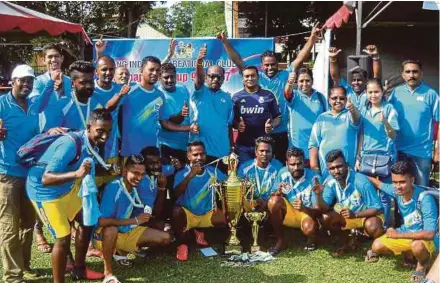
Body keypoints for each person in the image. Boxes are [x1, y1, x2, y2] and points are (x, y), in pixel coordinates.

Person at [26, 109, 112, 282]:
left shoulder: (91, 142)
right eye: (100, 131)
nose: (104, 137)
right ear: (88, 127)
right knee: (62, 238)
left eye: (108, 132)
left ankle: (79, 269)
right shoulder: (70, 144)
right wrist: (77, 175)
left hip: (67, 188)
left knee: (87, 220)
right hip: (45, 193)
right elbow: (46, 178)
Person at [217, 26, 320, 162]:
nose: (270, 67)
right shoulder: (255, 77)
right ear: (261, 65)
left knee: (280, 169)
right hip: (259, 136)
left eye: (273, 64)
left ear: (278, 64)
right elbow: (238, 61)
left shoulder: (285, 75)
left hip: (281, 133)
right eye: (266, 65)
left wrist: (312, 38)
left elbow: (300, 59)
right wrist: (225, 42)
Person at [0, 64, 56, 282]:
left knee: (27, 223)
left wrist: (52, 79)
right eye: (22, 80)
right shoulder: (2, 104)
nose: (26, 84)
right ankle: (12, 275)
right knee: (9, 225)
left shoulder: (33, 104)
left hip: (30, 173)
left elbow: (47, 94)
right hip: (7, 174)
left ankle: (24, 267)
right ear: (12, 81)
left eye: (29, 81)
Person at [94, 154, 172, 283]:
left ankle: (121, 251)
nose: (139, 178)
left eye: (142, 174)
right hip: (103, 235)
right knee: (111, 230)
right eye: (136, 173)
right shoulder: (114, 187)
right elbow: (102, 221)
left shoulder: (135, 187)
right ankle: (108, 273)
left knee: (166, 238)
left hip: (126, 230)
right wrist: (134, 221)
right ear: (125, 171)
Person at [366, 161, 438, 283]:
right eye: (394, 182)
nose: (398, 186)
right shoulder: (396, 191)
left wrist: (398, 235)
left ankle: (422, 264)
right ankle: (409, 252)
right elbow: (379, 184)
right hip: (407, 232)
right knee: (376, 246)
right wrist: (356, 173)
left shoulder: (425, 199)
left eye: (402, 182)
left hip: (426, 240)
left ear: (412, 180)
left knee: (417, 246)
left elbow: (430, 234)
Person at [316, 150, 384, 255]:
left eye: (339, 166)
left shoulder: (361, 181)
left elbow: (378, 208)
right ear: (328, 170)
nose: (336, 171)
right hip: (347, 217)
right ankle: (346, 241)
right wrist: (319, 195)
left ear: (347, 165)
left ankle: (374, 246)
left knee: (373, 225)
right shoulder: (330, 182)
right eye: (332, 168)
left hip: (366, 216)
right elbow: (324, 208)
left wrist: (355, 214)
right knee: (325, 218)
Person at [171, 141, 227, 261]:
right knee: (176, 211)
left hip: (207, 214)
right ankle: (182, 244)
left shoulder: (213, 171)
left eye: (202, 154)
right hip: (188, 215)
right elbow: (176, 194)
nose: (199, 158)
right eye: (195, 154)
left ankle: (198, 232)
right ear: (188, 156)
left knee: (228, 216)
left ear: (206, 155)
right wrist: (190, 175)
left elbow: (228, 182)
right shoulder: (182, 173)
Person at [357, 78, 400, 227]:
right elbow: (361, 134)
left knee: (384, 195)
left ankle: (385, 226)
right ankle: (368, 225)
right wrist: (358, 156)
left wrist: (385, 122)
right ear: (366, 93)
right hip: (367, 157)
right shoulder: (364, 111)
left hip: (385, 158)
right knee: (367, 193)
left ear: (382, 92)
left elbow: (393, 135)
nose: (373, 95)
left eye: (376, 91)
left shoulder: (389, 109)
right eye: (370, 92)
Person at [389, 60, 439, 186]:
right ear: (403, 75)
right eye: (408, 72)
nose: (411, 75)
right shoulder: (395, 93)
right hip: (399, 150)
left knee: (422, 189)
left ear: (421, 74)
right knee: (400, 189)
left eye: (415, 71)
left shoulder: (431, 94)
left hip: (422, 152)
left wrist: (438, 150)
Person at [107, 56, 165, 157]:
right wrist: (120, 95)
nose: (155, 73)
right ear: (141, 70)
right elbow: (108, 107)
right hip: (129, 152)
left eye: (157, 70)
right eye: (151, 69)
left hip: (152, 152)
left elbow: (163, 121)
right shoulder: (129, 91)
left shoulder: (160, 95)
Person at [268, 147, 322, 255]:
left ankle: (313, 238)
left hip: (306, 213)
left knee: (309, 228)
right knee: (273, 201)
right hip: (290, 212)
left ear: (304, 162)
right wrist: (278, 192)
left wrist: (304, 208)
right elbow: (272, 196)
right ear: (287, 163)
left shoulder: (314, 178)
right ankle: (281, 240)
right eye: (292, 165)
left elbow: (318, 210)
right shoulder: (282, 173)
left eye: (299, 163)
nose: (296, 167)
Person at [190, 44, 234, 171]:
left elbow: (228, 125)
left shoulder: (227, 98)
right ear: (206, 77)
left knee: (221, 187)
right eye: (211, 76)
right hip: (202, 153)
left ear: (223, 79)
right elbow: (198, 79)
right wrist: (199, 62)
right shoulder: (200, 92)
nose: (215, 79)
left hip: (223, 152)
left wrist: (231, 147)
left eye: (218, 77)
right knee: (203, 186)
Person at [309, 86, 361, 178]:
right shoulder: (322, 118)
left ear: (346, 99)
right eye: (334, 98)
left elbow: (357, 120)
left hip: (348, 170)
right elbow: (313, 145)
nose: (338, 101)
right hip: (327, 171)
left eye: (342, 98)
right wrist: (315, 168)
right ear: (329, 100)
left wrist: (352, 109)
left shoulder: (350, 115)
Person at [233, 66, 281, 162]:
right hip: (244, 147)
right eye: (247, 76)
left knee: (264, 173)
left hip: (264, 147)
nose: (250, 78)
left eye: (252, 76)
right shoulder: (236, 97)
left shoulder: (268, 95)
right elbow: (231, 120)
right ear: (242, 79)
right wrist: (237, 125)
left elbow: (278, 117)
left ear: (258, 77)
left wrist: (271, 125)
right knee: (245, 175)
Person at [284, 67, 327, 165]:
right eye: (301, 81)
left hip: (317, 144)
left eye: (307, 80)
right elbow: (287, 93)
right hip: (297, 145)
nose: (304, 84)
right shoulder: (294, 95)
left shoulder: (320, 97)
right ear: (296, 82)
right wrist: (289, 83)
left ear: (312, 81)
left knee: (315, 175)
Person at [30, 43, 72, 133]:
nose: (53, 59)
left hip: (68, 133)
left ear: (62, 58)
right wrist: (51, 81)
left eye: (56, 56)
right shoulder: (37, 81)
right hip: (45, 133)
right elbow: (36, 108)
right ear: (43, 60)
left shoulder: (70, 81)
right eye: (50, 57)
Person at [157, 63, 192, 164]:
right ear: (159, 77)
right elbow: (168, 123)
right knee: (168, 176)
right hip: (166, 146)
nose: (169, 80)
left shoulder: (183, 89)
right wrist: (182, 114)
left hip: (184, 145)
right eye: (166, 77)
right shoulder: (158, 95)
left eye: (172, 76)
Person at [329, 45, 382, 110]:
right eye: (354, 80)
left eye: (359, 80)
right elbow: (335, 77)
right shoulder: (347, 90)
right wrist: (333, 59)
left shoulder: (369, 91)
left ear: (366, 81)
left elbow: (377, 77)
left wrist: (375, 57)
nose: (356, 82)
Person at [237, 136, 282, 212]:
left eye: (268, 151)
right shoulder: (244, 168)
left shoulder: (278, 167)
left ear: (272, 153)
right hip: (251, 205)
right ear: (256, 152)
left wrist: (265, 202)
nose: (264, 154)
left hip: (269, 205)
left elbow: (278, 190)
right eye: (261, 151)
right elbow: (240, 192)